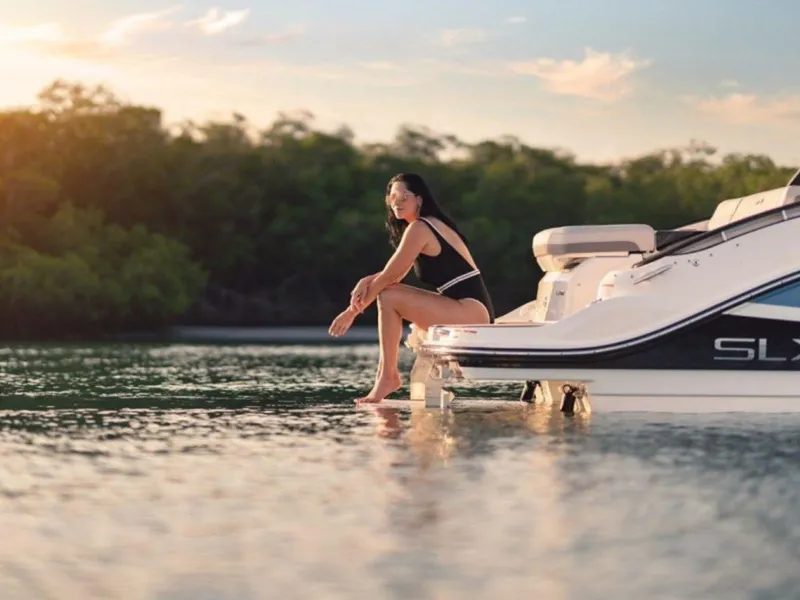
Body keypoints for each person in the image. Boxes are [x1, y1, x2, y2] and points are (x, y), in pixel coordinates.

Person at [328, 172, 495, 403]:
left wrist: (351, 313)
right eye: (392, 196)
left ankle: (388, 377)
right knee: (388, 294)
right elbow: (394, 273)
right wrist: (365, 281)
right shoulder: (425, 226)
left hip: (472, 313)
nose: (396, 202)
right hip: (469, 310)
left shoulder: (420, 228)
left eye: (404, 196)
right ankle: (385, 376)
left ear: (419, 199)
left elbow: (390, 276)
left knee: (388, 296)